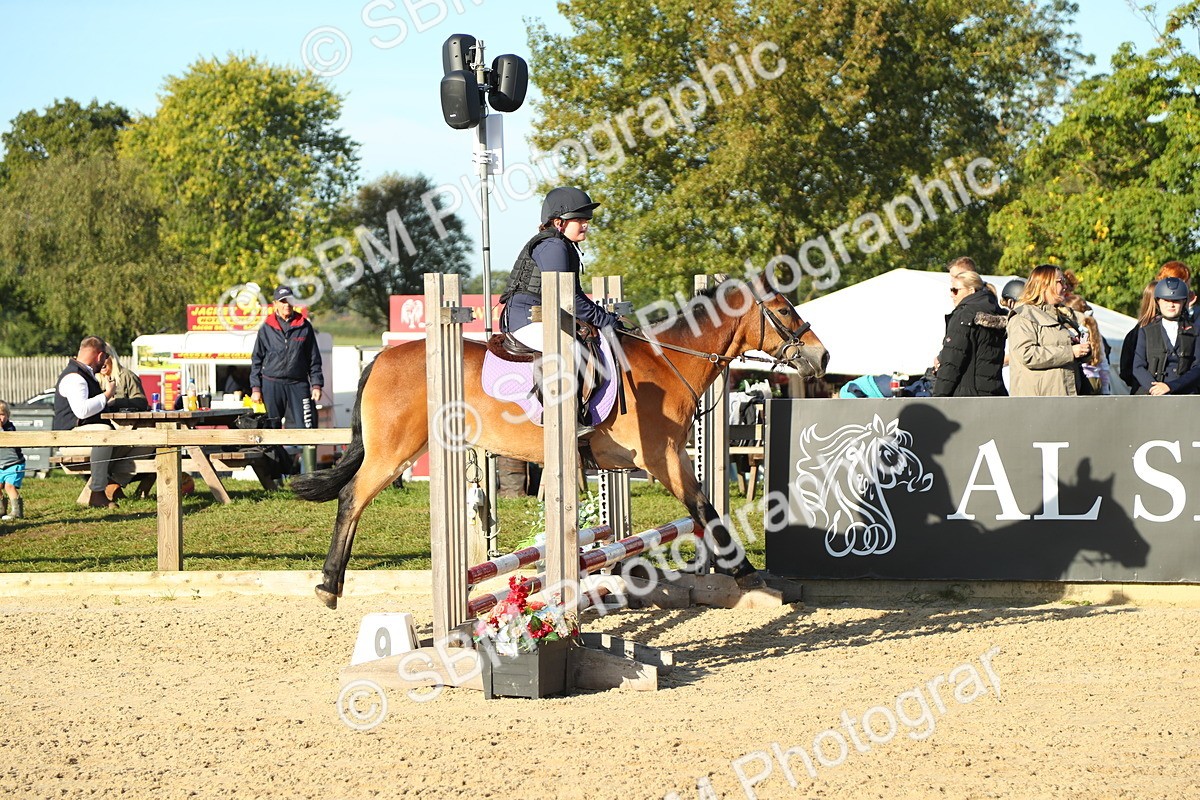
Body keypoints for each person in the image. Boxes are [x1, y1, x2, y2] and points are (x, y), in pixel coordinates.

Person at [498, 185, 621, 349]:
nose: (585, 225)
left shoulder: (564, 245)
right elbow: (566, 297)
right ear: (558, 223)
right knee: (571, 349)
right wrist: (605, 320)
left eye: (586, 220)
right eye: (579, 220)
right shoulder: (552, 246)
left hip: (544, 318)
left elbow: (575, 294)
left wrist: (604, 316)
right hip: (526, 322)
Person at [52, 336, 131, 508]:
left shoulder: (84, 374)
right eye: (104, 358)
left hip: (85, 435)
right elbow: (82, 411)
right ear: (99, 355)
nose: (104, 363)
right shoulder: (75, 378)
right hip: (69, 439)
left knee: (139, 438)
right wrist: (107, 394)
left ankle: (112, 483)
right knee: (104, 433)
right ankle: (97, 492)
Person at [1006, 265, 1091, 396]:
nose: (1065, 286)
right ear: (1045, 284)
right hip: (1039, 401)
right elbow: (1027, 355)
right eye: (1060, 281)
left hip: (1064, 395)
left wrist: (1080, 348)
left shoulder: (1060, 316)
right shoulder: (1022, 316)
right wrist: (1070, 351)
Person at [250, 287, 325, 429]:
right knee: (271, 427)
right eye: (283, 301)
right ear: (275, 304)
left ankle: (307, 451)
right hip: (271, 383)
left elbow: (314, 358)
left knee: (307, 426)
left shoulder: (304, 326)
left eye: (289, 301)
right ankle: (276, 452)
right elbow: (256, 359)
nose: (287, 305)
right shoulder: (266, 327)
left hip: (298, 383)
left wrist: (316, 385)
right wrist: (256, 388)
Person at [933, 271, 1008, 396]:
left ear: (971, 290)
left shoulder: (964, 315)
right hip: (994, 393)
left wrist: (938, 397)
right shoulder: (996, 313)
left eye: (955, 290)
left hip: (967, 396)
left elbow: (952, 362)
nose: (952, 294)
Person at [1131, 276, 1200, 395]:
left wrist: (1171, 387)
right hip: (1151, 393)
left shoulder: (1194, 331)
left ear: (1184, 302)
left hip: (1185, 394)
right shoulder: (1146, 331)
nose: (1171, 305)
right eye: (1166, 300)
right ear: (1158, 301)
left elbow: (1198, 367)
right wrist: (1155, 389)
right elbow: (1138, 367)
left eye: (1176, 301)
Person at [1065, 295, 1112, 395]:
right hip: (1096, 379)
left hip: (1082, 379)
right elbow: (1103, 363)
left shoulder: (1075, 330)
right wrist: (1105, 390)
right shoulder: (1094, 330)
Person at [1119, 281, 1159, 392]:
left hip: (1140, 390)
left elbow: (1125, 371)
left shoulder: (1134, 333)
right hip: (1146, 390)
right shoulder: (1138, 334)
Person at [99, 345, 149, 411]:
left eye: (104, 357)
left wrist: (116, 402)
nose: (101, 361)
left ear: (112, 357)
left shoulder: (127, 376)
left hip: (123, 420)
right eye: (98, 358)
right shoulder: (93, 379)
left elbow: (141, 403)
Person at [0, 400, 26, 520]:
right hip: (0, 464)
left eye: (1, 414)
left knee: (9, 487)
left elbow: (6, 437)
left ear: (7, 415)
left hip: (14, 464)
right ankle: (1, 508)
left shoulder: (9, 428)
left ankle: (17, 511)